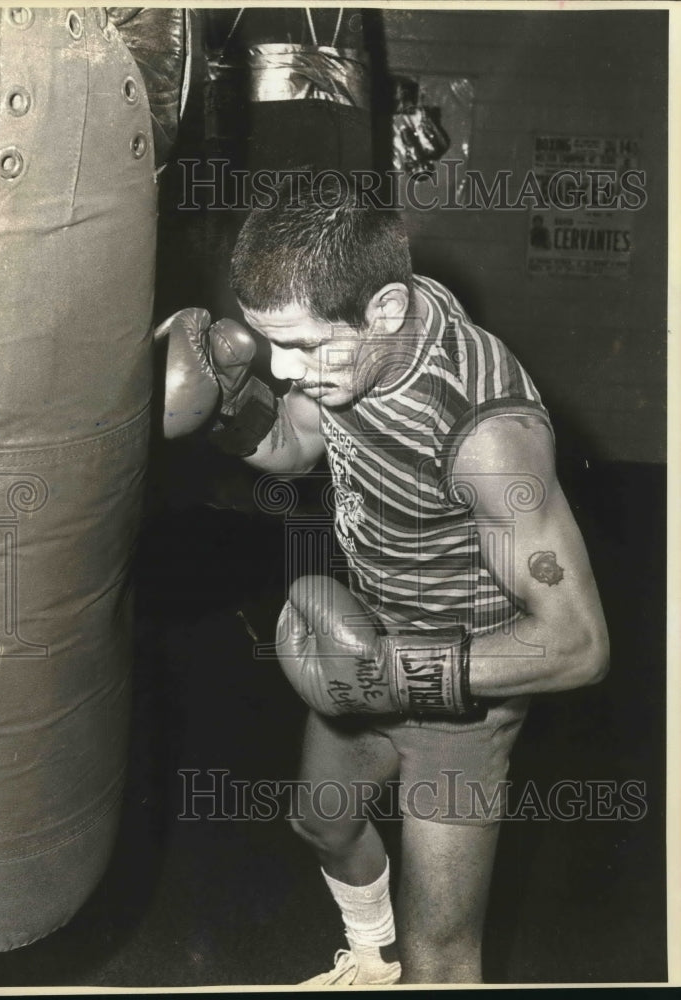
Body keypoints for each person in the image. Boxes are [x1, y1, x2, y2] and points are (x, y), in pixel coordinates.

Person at [193, 177, 609, 985]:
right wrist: (225, 408)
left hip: (466, 696)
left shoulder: (487, 436)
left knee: (443, 958)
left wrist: (390, 676)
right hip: (371, 638)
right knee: (322, 825)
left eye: (304, 346)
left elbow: (578, 644)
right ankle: (369, 959)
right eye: (268, 342)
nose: (285, 367)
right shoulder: (359, 335)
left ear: (383, 312)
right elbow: (294, 444)